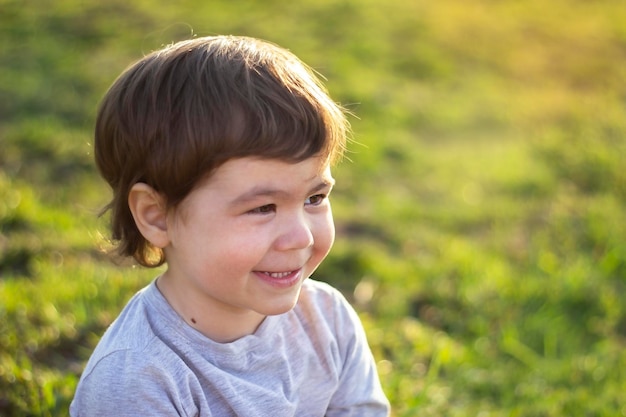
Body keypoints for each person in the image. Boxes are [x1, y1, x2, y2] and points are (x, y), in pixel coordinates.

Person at [70, 35, 390, 416]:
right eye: (262, 208)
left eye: (314, 199)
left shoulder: (326, 320)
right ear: (156, 216)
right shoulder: (137, 381)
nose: (300, 236)